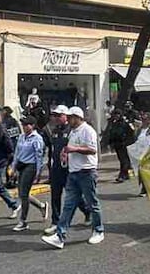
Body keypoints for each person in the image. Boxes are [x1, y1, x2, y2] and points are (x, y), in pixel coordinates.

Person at [41, 106, 104, 249]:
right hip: (73, 172)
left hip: (87, 172)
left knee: (92, 203)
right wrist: (66, 154)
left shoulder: (88, 131)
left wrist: (74, 149)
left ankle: (98, 231)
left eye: (70, 117)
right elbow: (69, 149)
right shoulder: (73, 132)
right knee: (68, 206)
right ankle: (60, 235)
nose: (68, 120)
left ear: (77, 118)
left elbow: (92, 150)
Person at [10, 116, 44, 232]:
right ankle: (41, 206)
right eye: (23, 125)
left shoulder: (37, 138)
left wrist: (39, 172)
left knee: (23, 194)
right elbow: (17, 153)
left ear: (32, 126)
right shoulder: (21, 137)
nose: (24, 127)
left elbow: (39, 156)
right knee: (22, 193)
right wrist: (13, 168)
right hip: (21, 165)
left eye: (27, 125)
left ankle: (23, 221)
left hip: (31, 166)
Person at [106, 108, 135, 182]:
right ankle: (129, 174)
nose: (116, 116)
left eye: (118, 114)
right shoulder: (113, 124)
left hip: (124, 145)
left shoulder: (125, 124)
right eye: (115, 114)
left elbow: (131, 134)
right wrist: (110, 143)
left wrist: (128, 143)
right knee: (123, 160)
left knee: (124, 161)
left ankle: (122, 175)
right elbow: (111, 134)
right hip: (117, 145)